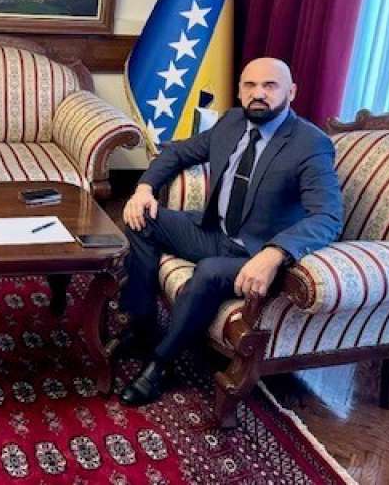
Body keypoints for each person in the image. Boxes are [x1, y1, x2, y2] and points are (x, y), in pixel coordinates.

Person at [116, 57, 343, 406]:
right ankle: (142, 325)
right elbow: (177, 153)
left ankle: (161, 364)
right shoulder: (232, 122)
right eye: (250, 85)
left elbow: (328, 216)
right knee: (142, 218)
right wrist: (144, 189)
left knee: (209, 271)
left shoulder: (310, 143)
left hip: (256, 253)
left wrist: (276, 252)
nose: (258, 94)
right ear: (239, 90)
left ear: (291, 92)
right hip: (214, 233)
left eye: (270, 86)